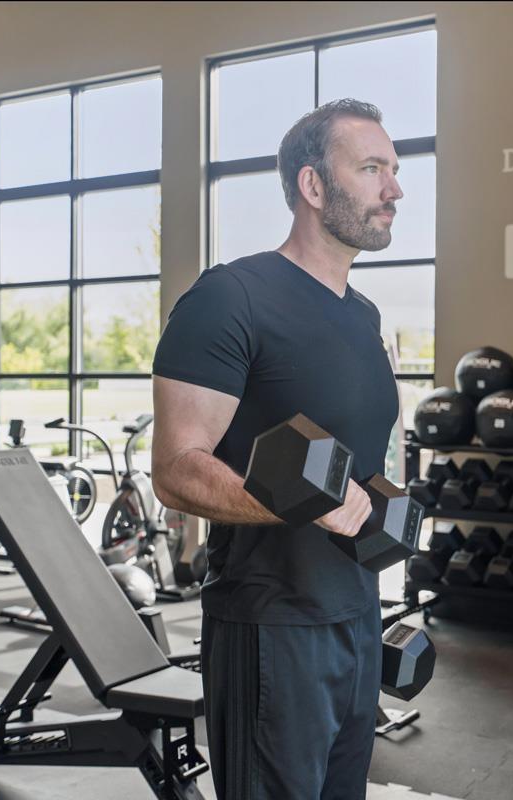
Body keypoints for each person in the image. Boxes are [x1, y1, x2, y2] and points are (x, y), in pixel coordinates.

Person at [150, 98, 404, 799]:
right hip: (270, 627)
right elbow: (175, 471)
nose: (395, 190)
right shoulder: (231, 297)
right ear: (313, 186)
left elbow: (359, 469)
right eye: (373, 168)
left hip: (356, 615)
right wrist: (300, 505)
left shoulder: (363, 314)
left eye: (395, 169)